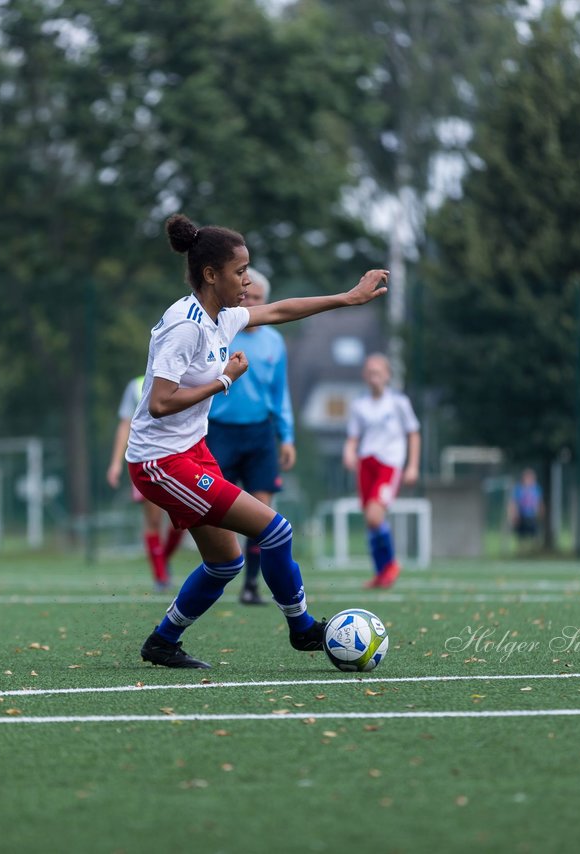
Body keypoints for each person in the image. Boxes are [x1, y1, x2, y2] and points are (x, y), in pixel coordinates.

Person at [126, 213, 388, 669]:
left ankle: (162, 642)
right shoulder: (185, 325)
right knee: (276, 530)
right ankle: (302, 628)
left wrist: (348, 298)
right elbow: (160, 404)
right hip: (160, 462)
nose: (247, 280)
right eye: (240, 271)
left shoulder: (220, 319)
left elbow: (281, 310)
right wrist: (223, 381)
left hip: (190, 453)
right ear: (211, 275)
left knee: (225, 563)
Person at [204, 269, 296, 606]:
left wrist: (287, 436)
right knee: (217, 511)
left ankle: (252, 586)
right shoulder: (223, 332)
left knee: (262, 513)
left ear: (265, 301)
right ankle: (218, 574)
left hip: (260, 434)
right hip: (220, 433)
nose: (251, 301)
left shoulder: (274, 341)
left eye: (258, 298)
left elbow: (280, 391)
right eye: (248, 296)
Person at [342, 353, 420, 589]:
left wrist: (412, 466)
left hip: (389, 464)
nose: (374, 376)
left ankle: (391, 564)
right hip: (366, 463)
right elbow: (353, 437)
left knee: (375, 516)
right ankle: (381, 573)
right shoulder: (359, 405)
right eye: (370, 372)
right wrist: (349, 452)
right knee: (370, 521)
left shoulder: (399, 403)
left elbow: (413, 433)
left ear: (387, 375)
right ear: (365, 376)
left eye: (378, 372)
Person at [107, 375, 185, 590]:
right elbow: (125, 425)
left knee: (183, 521)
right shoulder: (135, 386)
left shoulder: (182, 378)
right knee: (154, 520)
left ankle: (162, 559)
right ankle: (161, 576)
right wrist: (115, 463)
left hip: (177, 459)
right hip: (146, 460)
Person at [509, 468, 542, 540]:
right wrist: (514, 515)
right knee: (521, 536)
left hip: (532, 515)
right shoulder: (518, 488)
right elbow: (514, 502)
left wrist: (539, 513)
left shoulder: (536, 488)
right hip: (521, 515)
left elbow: (538, 502)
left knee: (533, 534)